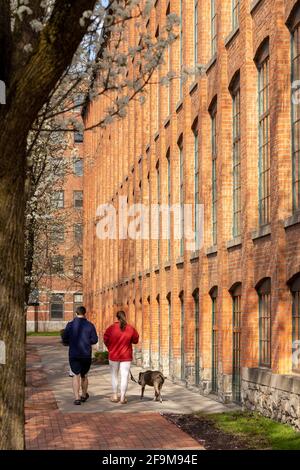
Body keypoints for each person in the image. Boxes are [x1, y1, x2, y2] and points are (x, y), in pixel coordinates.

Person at [62, 306, 98, 405]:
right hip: (86, 354)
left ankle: (77, 398)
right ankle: (83, 394)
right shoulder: (90, 325)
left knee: (75, 375)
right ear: (85, 313)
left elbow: (64, 338)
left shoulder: (70, 325)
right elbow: (94, 340)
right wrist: (87, 341)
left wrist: (70, 342)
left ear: (76, 313)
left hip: (74, 353)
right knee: (84, 375)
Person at [103, 311, 139, 404]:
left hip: (113, 355)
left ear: (117, 318)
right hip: (126, 356)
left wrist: (110, 348)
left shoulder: (111, 328)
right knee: (125, 376)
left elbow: (105, 339)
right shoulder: (130, 328)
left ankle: (115, 396)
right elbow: (136, 340)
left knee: (114, 376)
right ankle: (122, 398)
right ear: (125, 317)